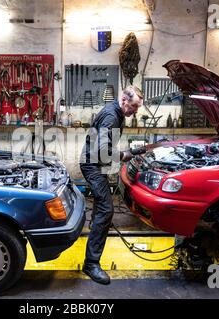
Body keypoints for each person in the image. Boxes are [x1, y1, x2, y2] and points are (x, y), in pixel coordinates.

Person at [79, 85, 143, 285]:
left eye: (137, 107)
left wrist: (130, 152)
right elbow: (104, 150)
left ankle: (96, 226)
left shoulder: (116, 112)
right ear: (124, 100)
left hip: (97, 163)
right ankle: (91, 264)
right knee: (107, 210)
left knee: (102, 206)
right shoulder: (112, 116)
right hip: (92, 165)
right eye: (134, 106)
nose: (135, 111)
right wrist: (124, 155)